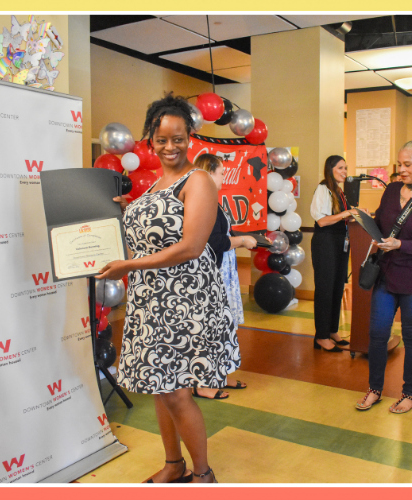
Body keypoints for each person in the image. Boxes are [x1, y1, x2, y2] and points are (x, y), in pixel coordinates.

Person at [97, 94, 240, 483]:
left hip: (186, 302)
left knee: (177, 392)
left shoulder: (199, 181)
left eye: (179, 138)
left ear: (190, 137)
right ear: (150, 141)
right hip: (151, 301)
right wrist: (121, 211)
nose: (170, 146)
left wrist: (128, 266)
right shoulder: (152, 188)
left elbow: (191, 247)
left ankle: (203, 474)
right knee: (161, 388)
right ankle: (174, 465)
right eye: (162, 139)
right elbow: (147, 236)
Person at [356, 140, 412, 413]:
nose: (401, 170)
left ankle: (410, 393)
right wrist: (366, 222)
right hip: (387, 273)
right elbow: (382, 221)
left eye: (407, 165)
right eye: (399, 164)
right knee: (377, 333)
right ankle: (374, 389)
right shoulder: (392, 189)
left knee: (411, 335)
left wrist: (400, 244)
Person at [193, 153, 257, 399]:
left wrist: (246, 237)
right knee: (210, 329)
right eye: (220, 173)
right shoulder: (202, 202)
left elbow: (223, 230)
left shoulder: (212, 201)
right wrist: (241, 241)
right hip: (209, 275)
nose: (223, 177)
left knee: (224, 328)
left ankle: (220, 375)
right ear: (209, 173)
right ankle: (203, 383)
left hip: (222, 274)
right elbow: (214, 242)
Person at [310, 155, 360, 352]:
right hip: (325, 242)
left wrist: (356, 215)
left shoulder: (339, 191)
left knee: (338, 287)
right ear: (330, 169)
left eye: (346, 168)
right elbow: (322, 221)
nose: (344, 172)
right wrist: (347, 214)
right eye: (340, 168)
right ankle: (321, 336)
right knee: (325, 288)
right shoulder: (323, 189)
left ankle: (332, 330)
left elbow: (341, 218)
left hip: (340, 242)